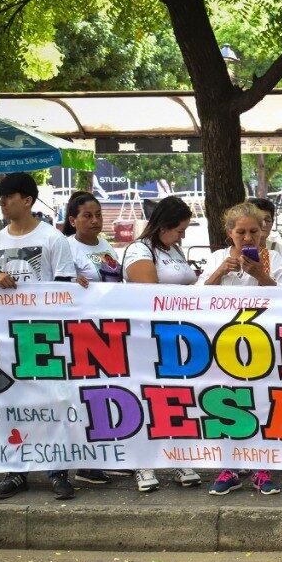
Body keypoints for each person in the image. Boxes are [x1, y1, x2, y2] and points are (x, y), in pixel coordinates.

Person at [0, 172, 80, 501]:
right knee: (11, 404)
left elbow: (64, 287)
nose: (2, 202)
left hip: (43, 335)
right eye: (1, 197)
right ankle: (15, 471)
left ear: (27, 200)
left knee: (52, 403)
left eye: (8, 196)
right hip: (4, 336)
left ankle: (57, 471)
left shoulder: (53, 239)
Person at [200, 202, 282, 498]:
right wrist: (219, 273)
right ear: (230, 233)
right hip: (223, 343)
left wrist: (262, 275)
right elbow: (193, 299)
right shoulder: (217, 258)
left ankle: (261, 468)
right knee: (226, 402)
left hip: (261, 342)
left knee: (261, 402)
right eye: (241, 232)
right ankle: (229, 467)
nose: (249, 238)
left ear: (263, 231)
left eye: (254, 231)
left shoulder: (273, 258)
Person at [122, 195, 203, 493]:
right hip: (146, 336)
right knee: (146, 397)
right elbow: (150, 293)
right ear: (164, 226)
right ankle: (143, 463)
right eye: (180, 230)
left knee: (175, 397)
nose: (183, 236)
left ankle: (178, 456)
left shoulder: (174, 249)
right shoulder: (139, 250)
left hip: (177, 334)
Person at [63, 191, 122, 285]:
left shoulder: (105, 243)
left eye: (98, 215)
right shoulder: (65, 248)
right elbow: (60, 284)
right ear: (72, 221)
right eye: (88, 216)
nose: (95, 220)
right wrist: (72, 281)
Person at [247, 196, 282, 271]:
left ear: (272, 223)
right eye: (259, 220)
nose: (264, 224)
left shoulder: (275, 248)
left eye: (267, 220)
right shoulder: (236, 250)